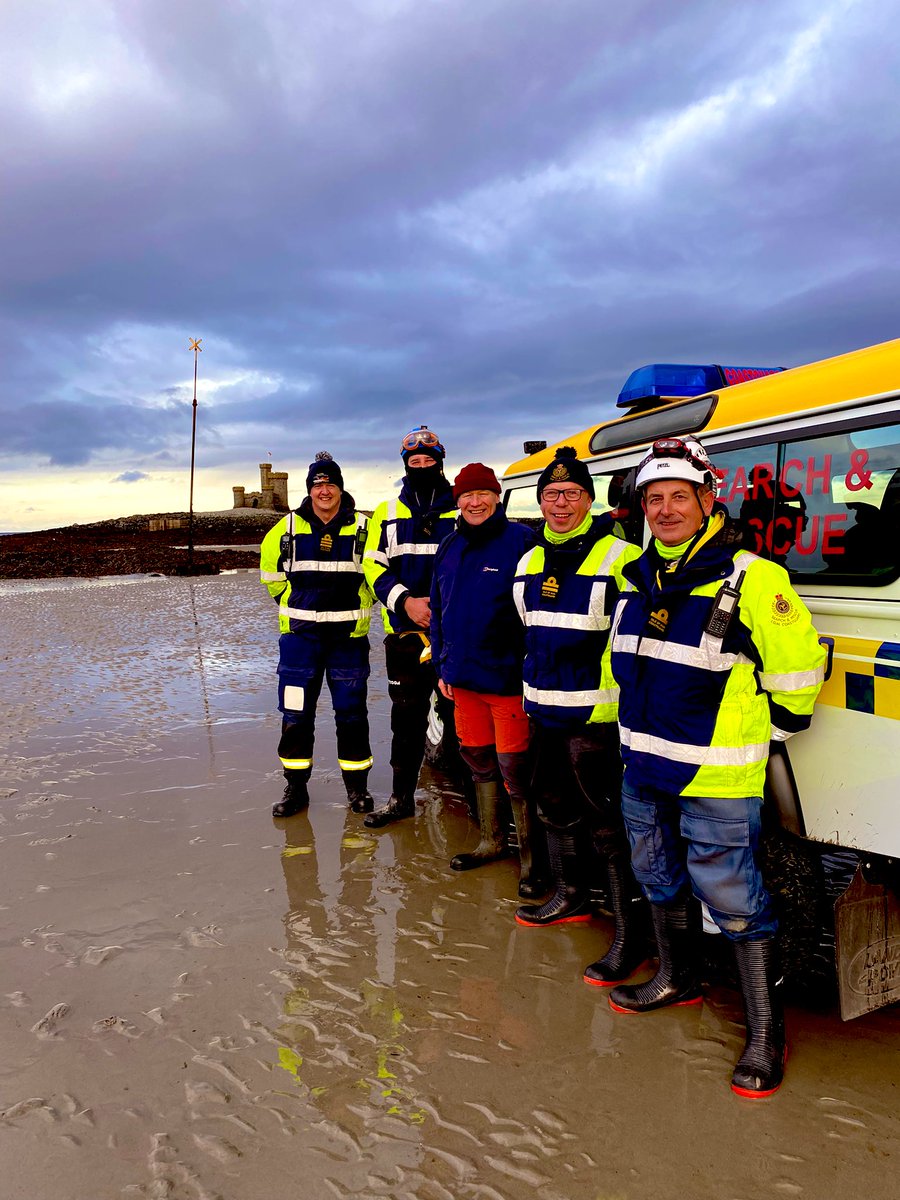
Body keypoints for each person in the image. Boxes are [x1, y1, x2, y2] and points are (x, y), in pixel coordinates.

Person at [606, 435, 826, 1099]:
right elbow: (620, 671)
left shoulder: (755, 578)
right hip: (644, 766)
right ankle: (677, 978)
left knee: (734, 900)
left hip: (717, 778)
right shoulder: (633, 578)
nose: (666, 509)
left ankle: (765, 1032)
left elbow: (797, 672)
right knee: (657, 877)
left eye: (679, 496)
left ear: (708, 501)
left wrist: (771, 732)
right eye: (654, 498)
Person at [512, 447, 647, 986]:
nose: (560, 503)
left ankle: (629, 933)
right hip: (544, 711)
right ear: (540, 503)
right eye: (550, 495)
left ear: (589, 501)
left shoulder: (620, 557)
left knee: (609, 827)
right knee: (553, 807)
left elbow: (633, 641)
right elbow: (529, 629)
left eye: (570, 495)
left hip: (597, 718)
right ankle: (569, 897)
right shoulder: (528, 561)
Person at [429, 463, 546, 897]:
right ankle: (491, 841)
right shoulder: (449, 546)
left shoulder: (522, 542)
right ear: (456, 501)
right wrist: (442, 664)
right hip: (462, 681)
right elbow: (439, 611)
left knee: (516, 768)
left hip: (508, 681)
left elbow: (538, 615)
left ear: (497, 497)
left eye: (483, 494)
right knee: (477, 760)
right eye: (466, 495)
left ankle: (531, 861)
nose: (474, 502)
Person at [260, 452, 375, 818]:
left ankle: (357, 790)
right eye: (317, 485)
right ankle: (296, 790)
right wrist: (295, 605)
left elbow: (378, 574)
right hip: (299, 642)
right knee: (295, 717)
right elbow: (271, 575)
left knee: (352, 716)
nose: (324, 491)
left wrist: (359, 610)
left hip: (348, 642)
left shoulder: (364, 527)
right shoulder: (287, 529)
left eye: (330, 484)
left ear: (340, 487)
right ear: (309, 490)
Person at [362, 426, 458, 829]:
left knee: (461, 720)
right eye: (414, 462)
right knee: (407, 720)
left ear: (440, 463)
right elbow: (372, 565)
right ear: (405, 465)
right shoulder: (387, 511)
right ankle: (401, 799)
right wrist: (407, 601)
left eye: (428, 461)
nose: (421, 467)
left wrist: (445, 608)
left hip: (455, 636)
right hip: (404, 637)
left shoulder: (462, 507)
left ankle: (467, 806)